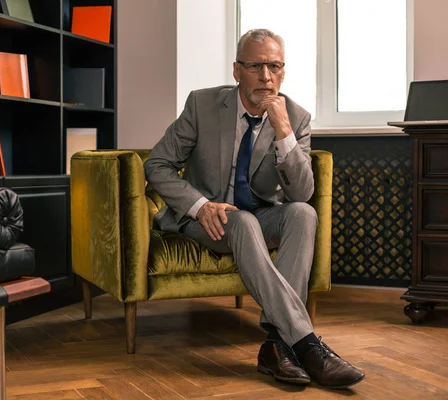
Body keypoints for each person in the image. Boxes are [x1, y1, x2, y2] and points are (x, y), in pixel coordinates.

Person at [144, 28, 365, 389]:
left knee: (303, 215)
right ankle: (308, 345)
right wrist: (199, 207)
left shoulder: (295, 115)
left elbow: (302, 194)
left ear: (283, 70)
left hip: (258, 217)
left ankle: (277, 346)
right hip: (209, 220)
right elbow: (156, 165)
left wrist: (283, 131)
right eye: (256, 66)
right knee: (241, 220)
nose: (266, 77)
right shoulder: (202, 105)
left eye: (275, 66)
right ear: (236, 70)